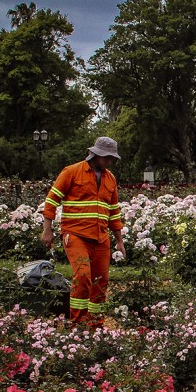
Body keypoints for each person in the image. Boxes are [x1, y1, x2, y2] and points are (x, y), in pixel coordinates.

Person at [40, 136, 126, 327]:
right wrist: (47, 230)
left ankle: (95, 326)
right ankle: (78, 324)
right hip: (76, 234)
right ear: (96, 154)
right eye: (107, 157)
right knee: (83, 276)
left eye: (112, 158)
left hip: (101, 238)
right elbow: (52, 201)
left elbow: (114, 212)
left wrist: (119, 241)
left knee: (101, 281)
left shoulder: (110, 178)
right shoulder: (71, 172)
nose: (110, 161)